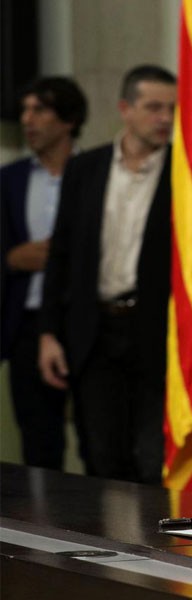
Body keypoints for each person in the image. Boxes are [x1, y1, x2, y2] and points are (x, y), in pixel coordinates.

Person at [37, 65, 176, 484]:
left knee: (154, 456)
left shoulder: (186, 173)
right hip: (93, 330)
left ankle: (153, 548)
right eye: (154, 107)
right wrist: (48, 332)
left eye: (172, 109)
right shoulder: (87, 168)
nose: (165, 118)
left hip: (157, 332)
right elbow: (59, 254)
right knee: (101, 454)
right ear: (125, 109)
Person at [1, 77, 88, 470]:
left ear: (68, 120)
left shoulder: (95, 171)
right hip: (26, 323)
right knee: (38, 439)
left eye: (40, 110)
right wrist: (11, 259)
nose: (28, 120)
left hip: (88, 321)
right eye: (24, 111)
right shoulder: (10, 179)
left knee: (98, 438)